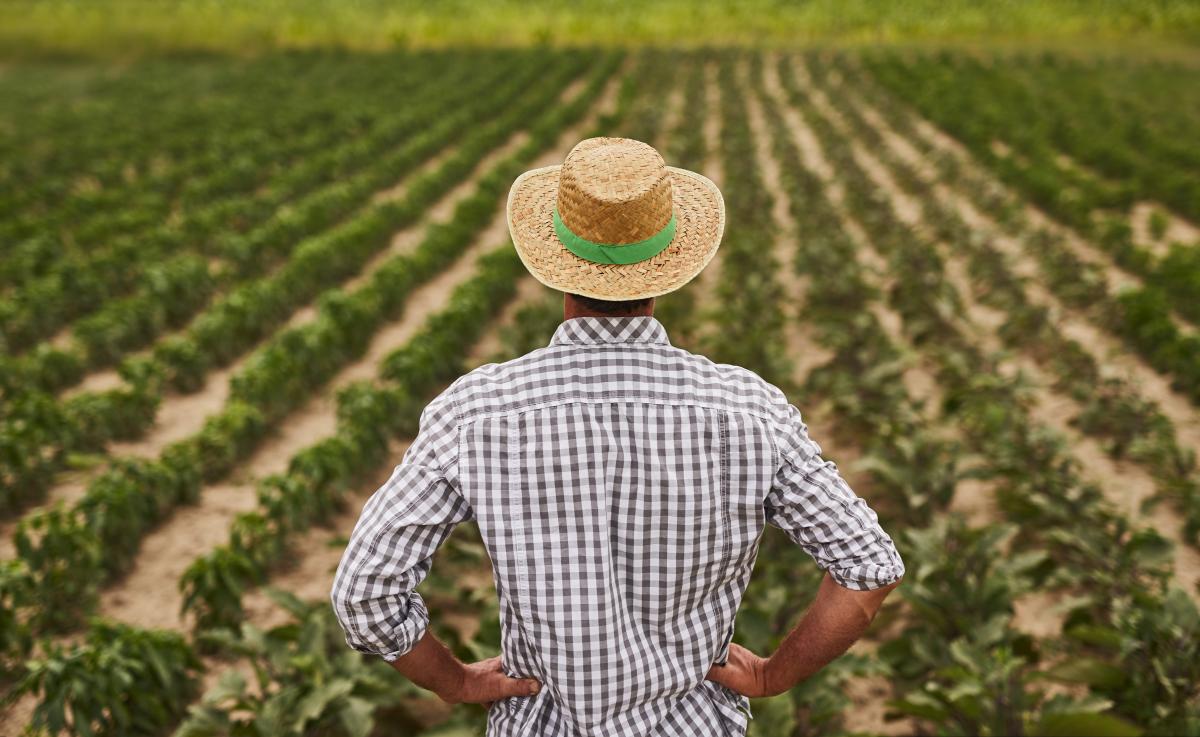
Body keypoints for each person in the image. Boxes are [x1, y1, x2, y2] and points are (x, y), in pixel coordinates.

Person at [331, 137, 904, 736]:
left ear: (556, 263)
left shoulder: (477, 411)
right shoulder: (748, 408)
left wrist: (457, 682)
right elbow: (866, 567)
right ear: (668, 267)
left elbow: (365, 593)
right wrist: (771, 676)